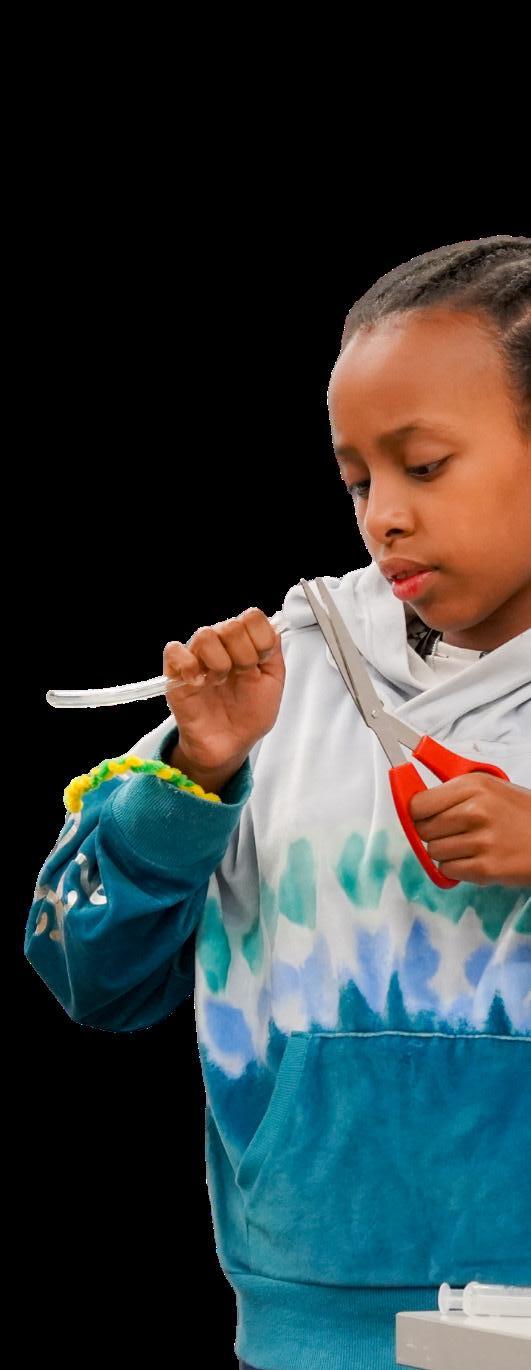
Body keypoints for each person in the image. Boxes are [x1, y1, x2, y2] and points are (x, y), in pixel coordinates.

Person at [25, 236, 531, 1370]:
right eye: (357, 479)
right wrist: (195, 782)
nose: (382, 516)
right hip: (320, 1329)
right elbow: (87, 973)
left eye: (424, 465)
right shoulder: (272, 686)